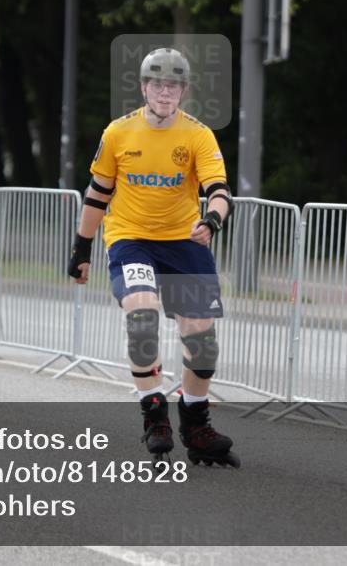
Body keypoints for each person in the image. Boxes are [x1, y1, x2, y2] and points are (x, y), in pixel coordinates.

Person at [67, 47, 239, 467]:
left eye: (173, 85)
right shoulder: (118, 133)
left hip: (185, 241)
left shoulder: (198, 134)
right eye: (157, 84)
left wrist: (212, 222)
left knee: (202, 343)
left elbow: (219, 192)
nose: (165, 92)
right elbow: (98, 193)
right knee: (141, 315)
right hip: (131, 239)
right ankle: (154, 415)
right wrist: (82, 247)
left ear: (182, 91)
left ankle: (196, 426)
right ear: (144, 88)